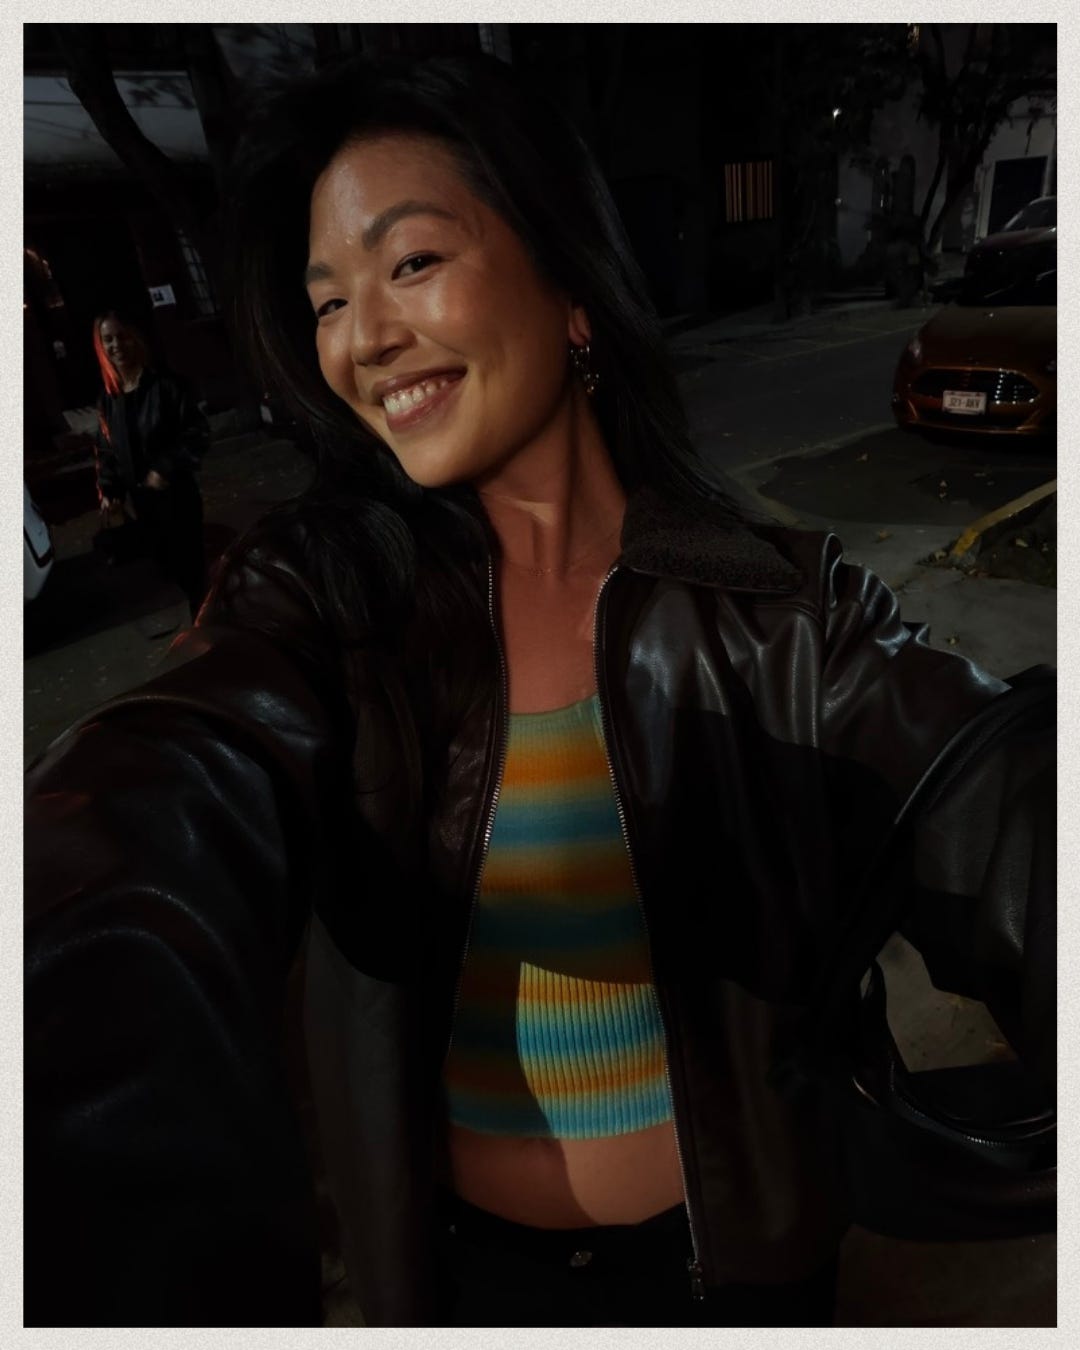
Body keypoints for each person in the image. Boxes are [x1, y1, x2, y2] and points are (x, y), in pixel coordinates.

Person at [25, 55, 1053, 1329]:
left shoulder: (782, 610)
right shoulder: (323, 600)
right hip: (461, 1288)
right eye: (328, 300)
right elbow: (167, 783)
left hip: (740, 1286)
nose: (363, 339)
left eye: (411, 262)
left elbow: (1002, 805)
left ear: (571, 286)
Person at [92, 310, 210, 621]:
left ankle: (208, 628)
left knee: (192, 571)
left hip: (177, 499)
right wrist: (110, 492)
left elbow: (197, 433)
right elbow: (107, 452)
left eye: (121, 336)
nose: (116, 345)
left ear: (135, 338)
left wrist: (165, 468)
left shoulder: (165, 385)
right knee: (166, 571)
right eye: (108, 339)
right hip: (141, 504)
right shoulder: (109, 399)